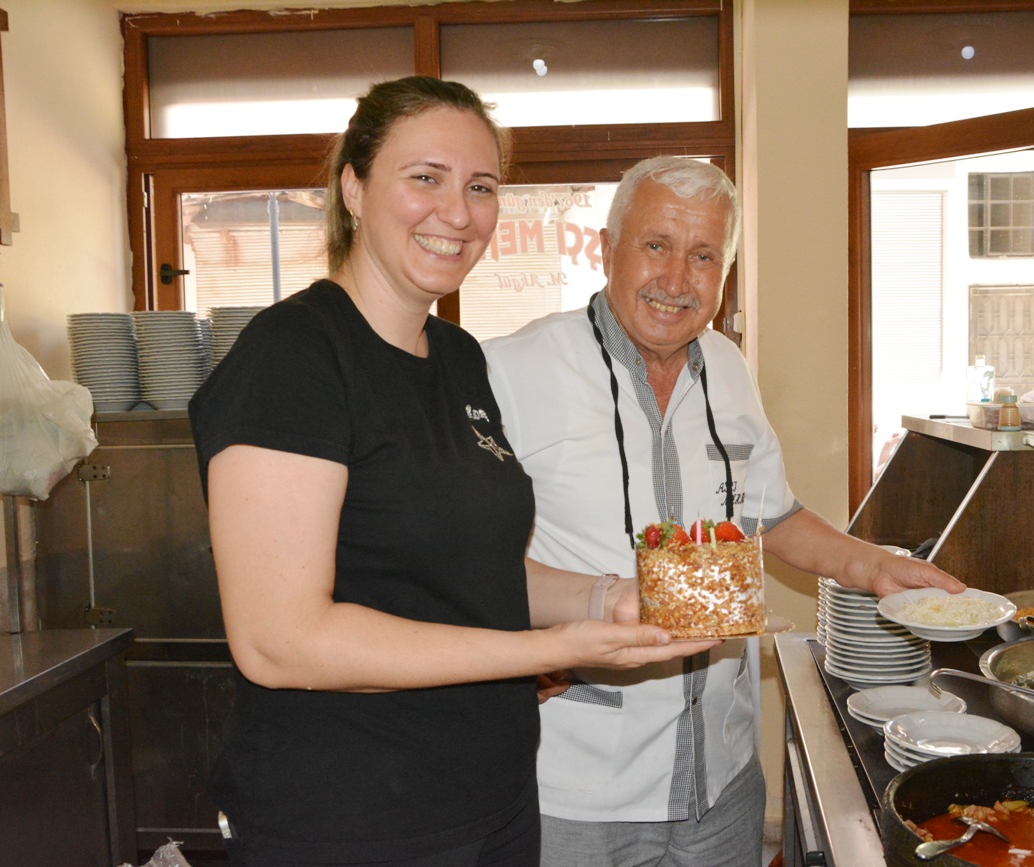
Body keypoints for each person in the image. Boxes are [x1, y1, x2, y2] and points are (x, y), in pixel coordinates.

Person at [188, 79, 717, 867]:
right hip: (351, 818)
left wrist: (607, 598)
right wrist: (547, 649)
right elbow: (281, 641)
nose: (459, 213)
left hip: (490, 797)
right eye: (425, 178)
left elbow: (479, 570)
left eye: (481, 187)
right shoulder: (294, 356)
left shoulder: (460, 358)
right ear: (354, 187)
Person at [482, 155, 966, 867]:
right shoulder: (512, 370)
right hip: (577, 791)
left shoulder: (730, 368)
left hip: (725, 779)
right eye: (656, 246)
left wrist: (874, 565)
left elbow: (772, 516)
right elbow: (467, 555)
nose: (677, 280)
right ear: (609, 246)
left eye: (704, 255)